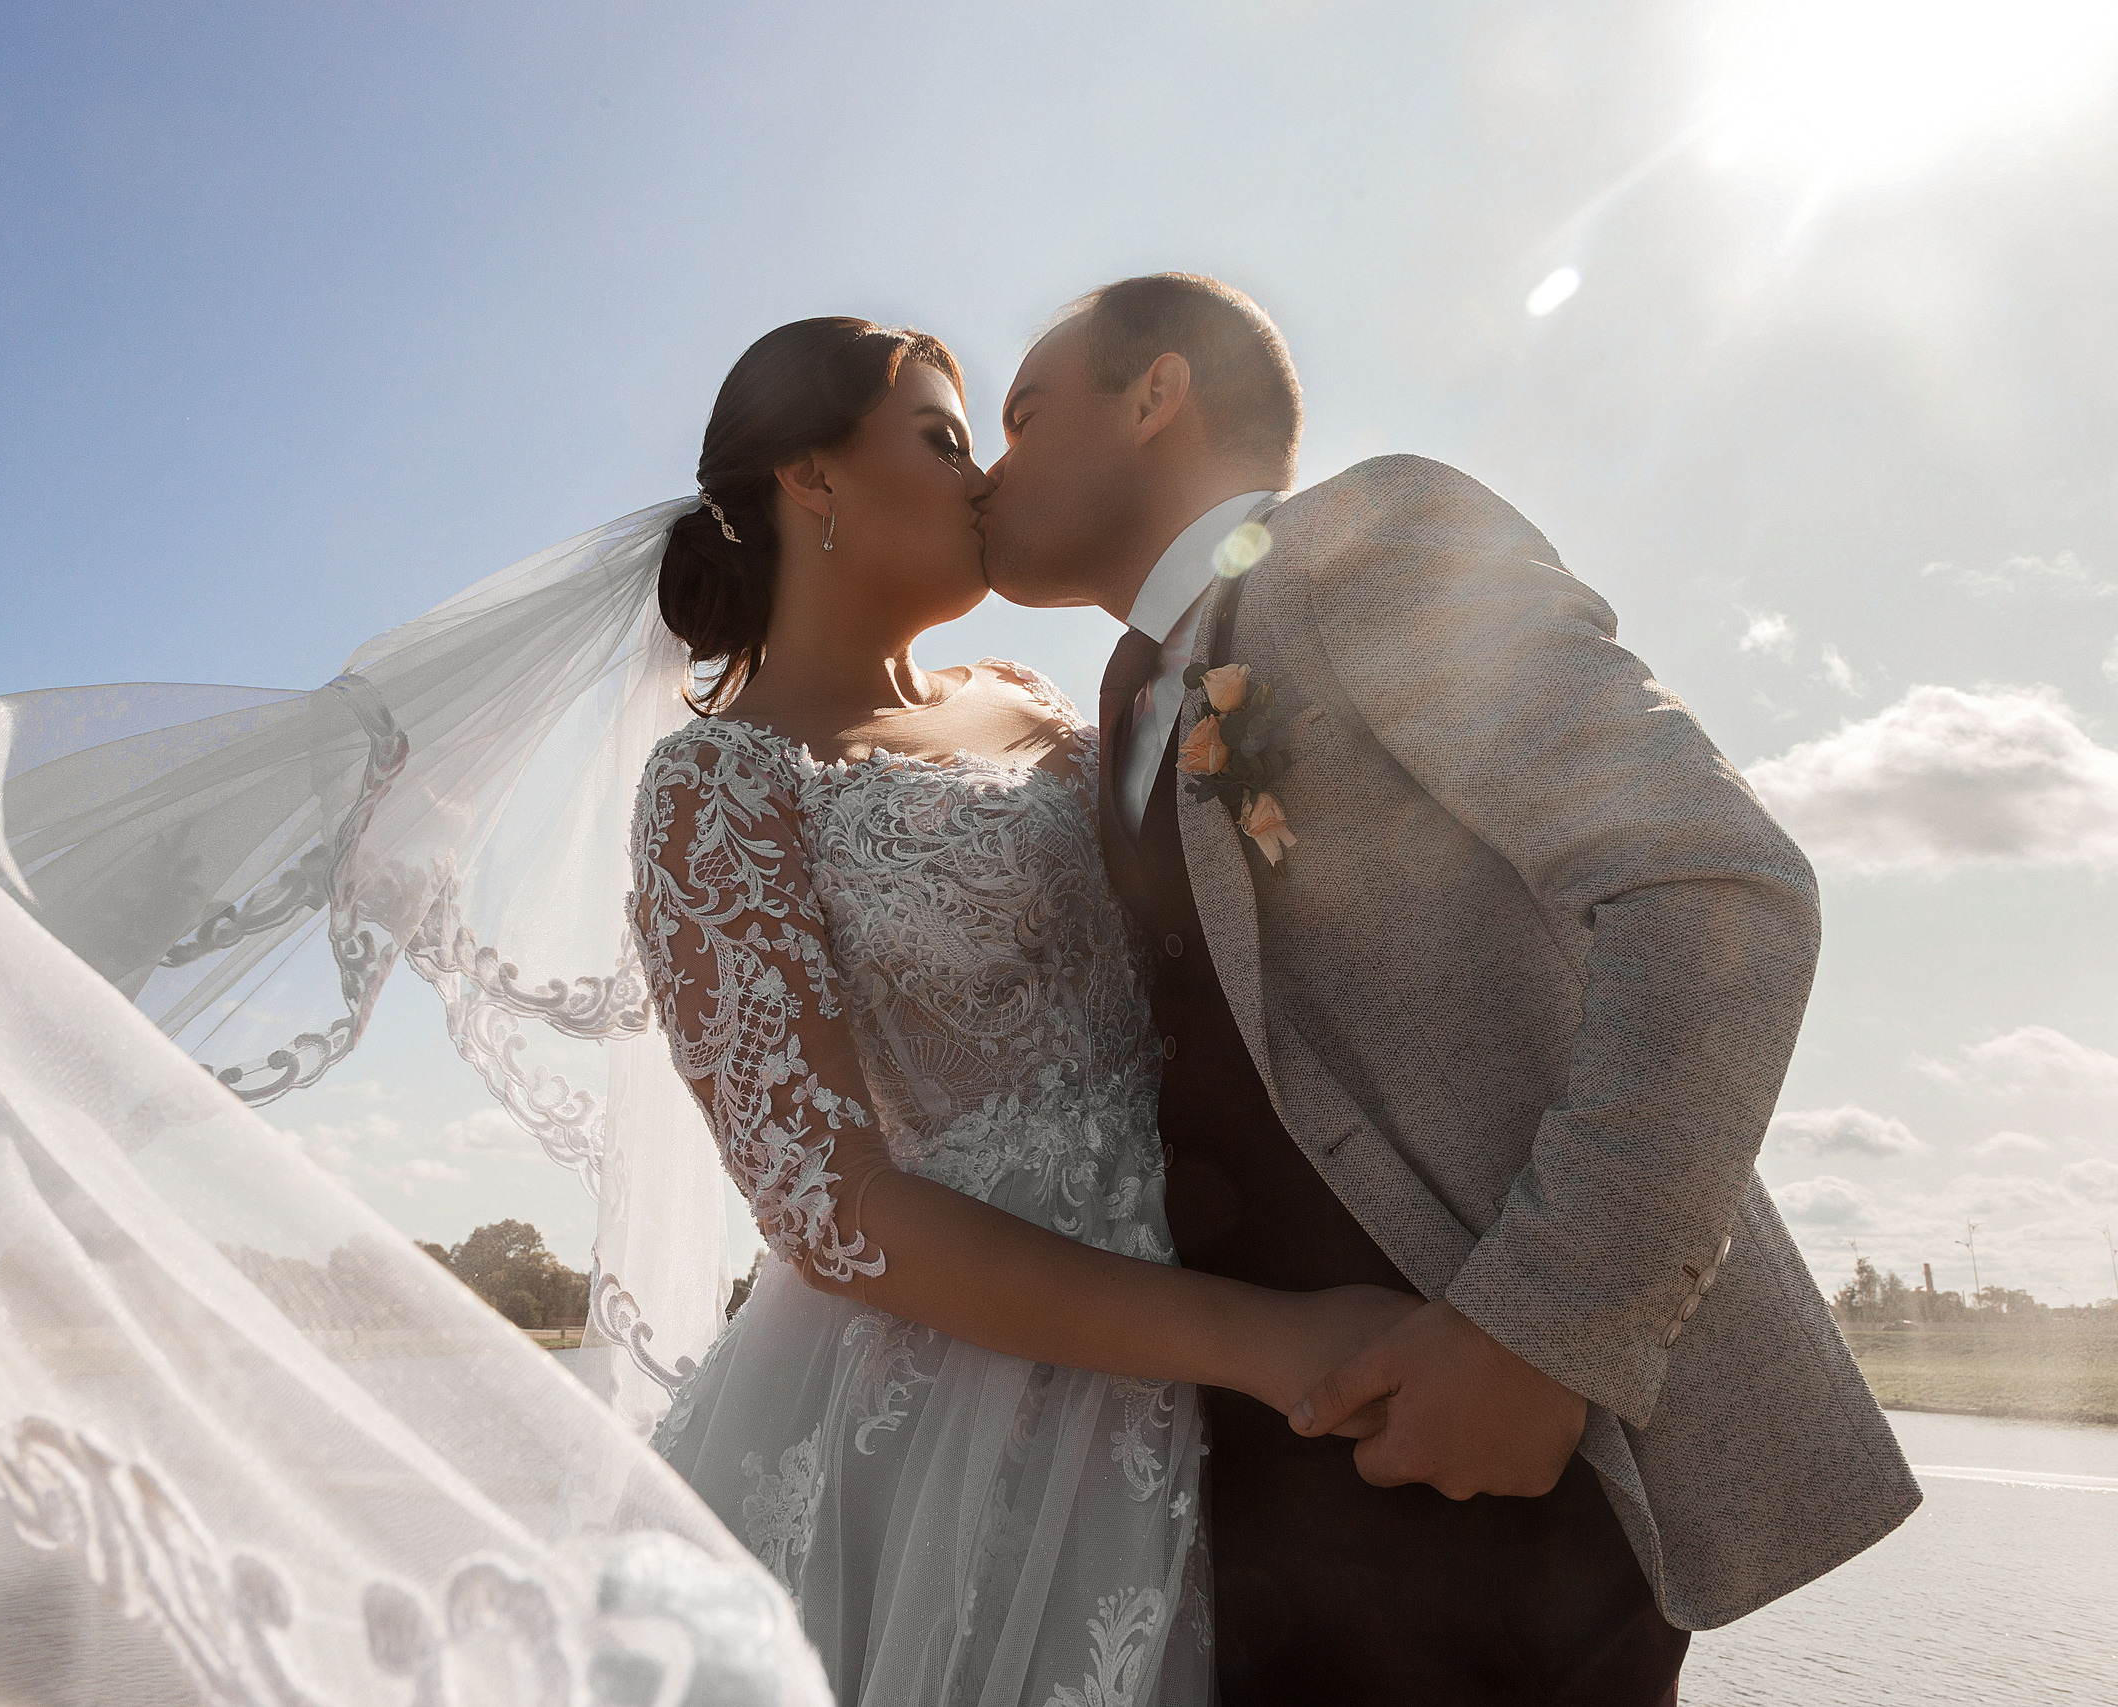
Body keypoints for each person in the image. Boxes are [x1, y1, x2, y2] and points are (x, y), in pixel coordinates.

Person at [973, 273, 1925, 1703]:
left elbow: (1714, 888)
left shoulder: (1372, 543)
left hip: (1497, 1492)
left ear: (1157, 394)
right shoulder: (1113, 698)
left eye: (1024, 418)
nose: (991, 472)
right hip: (1227, 1495)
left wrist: (1541, 1335)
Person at [626, 317, 1422, 1706]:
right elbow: (826, 1201)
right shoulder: (719, 788)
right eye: (941, 441)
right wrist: (1257, 1339)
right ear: (811, 480)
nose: (984, 478)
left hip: (1251, 1272)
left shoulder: (1035, 701)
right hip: (965, 1404)